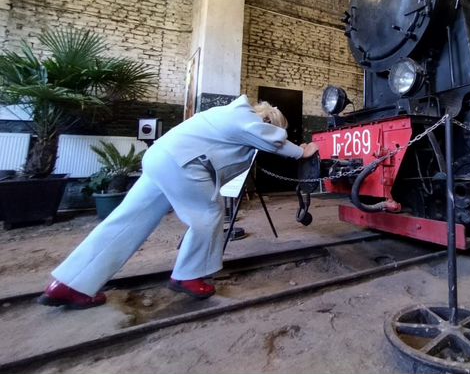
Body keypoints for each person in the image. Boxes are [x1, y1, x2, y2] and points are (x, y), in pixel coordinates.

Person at [39, 95, 318, 309]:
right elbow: (271, 141)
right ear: (268, 122)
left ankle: (70, 284)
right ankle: (189, 276)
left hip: (161, 158)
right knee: (207, 215)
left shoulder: (224, 115)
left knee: (128, 220)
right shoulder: (243, 117)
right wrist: (301, 152)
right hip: (181, 164)